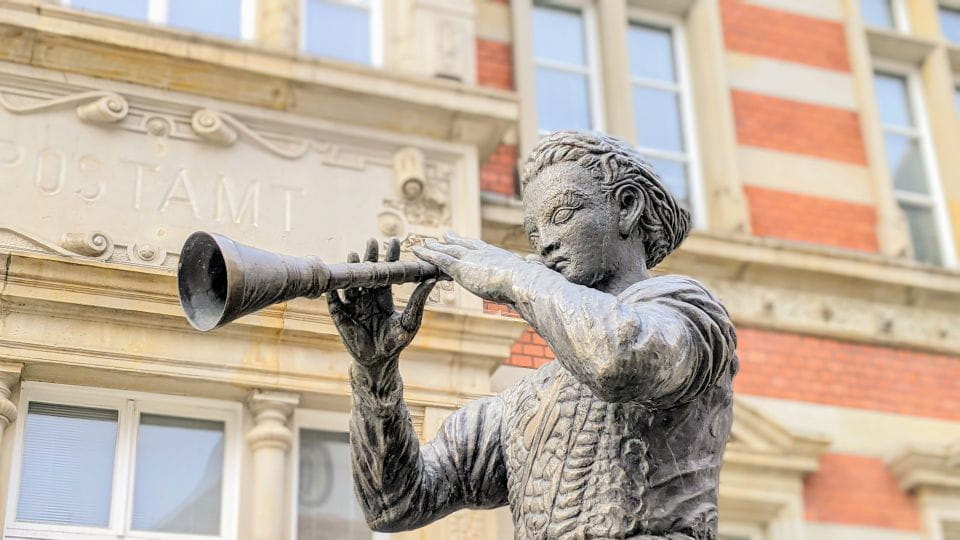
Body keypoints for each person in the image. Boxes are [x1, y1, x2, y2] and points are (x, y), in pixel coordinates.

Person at [326, 130, 738, 540]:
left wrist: (511, 276)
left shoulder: (685, 309)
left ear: (627, 207)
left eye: (562, 215)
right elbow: (393, 504)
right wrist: (375, 371)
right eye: (535, 234)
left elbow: (618, 358)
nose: (546, 246)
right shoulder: (524, 403)